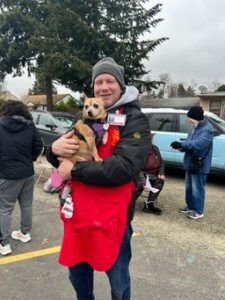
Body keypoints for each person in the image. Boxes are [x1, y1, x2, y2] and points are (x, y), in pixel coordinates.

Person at [46, 57, 150, 300]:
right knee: (78, 277)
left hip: (114, 218)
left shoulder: (135, 119)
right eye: (98, 82)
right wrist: (54, 149)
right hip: (79, 214)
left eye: (110, 81)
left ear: (121, 86)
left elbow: (124, 167)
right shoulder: (82, 118)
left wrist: (75, 171)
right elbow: (60, 160)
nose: (103, 87)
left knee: (119, 283)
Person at [0, 100, 43, 256]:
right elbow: (39, 146)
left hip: (6, 174)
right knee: (26, 204)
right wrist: (29, 159)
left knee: (4, 209)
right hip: (27, 173)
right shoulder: (30, 126)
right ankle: (25, 233)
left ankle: (4, 243)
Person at [170, 106, 213, 220]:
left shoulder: (206, 130)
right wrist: (180, 147)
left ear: (196, 118)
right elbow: (190, 143)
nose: (188, 120)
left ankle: (198, 211)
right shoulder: (194, 128)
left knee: (197, 188)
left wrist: (182, 144)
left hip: (199, 164)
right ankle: (190, 207)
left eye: (190, 118)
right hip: (190, 163)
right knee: (189, 187)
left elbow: (198, 144)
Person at [139, 133, 165, 215]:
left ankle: (149, 204)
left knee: (160, 181)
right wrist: (143, 183)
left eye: (152, 138)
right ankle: (128, 204)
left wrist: (161, 173)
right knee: (137, 186)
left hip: (154, 174)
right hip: (142, 175)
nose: (153, 140)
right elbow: (138, 169)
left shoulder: (155, 148)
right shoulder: (141, 151)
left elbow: (161, 162)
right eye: (151, 139)